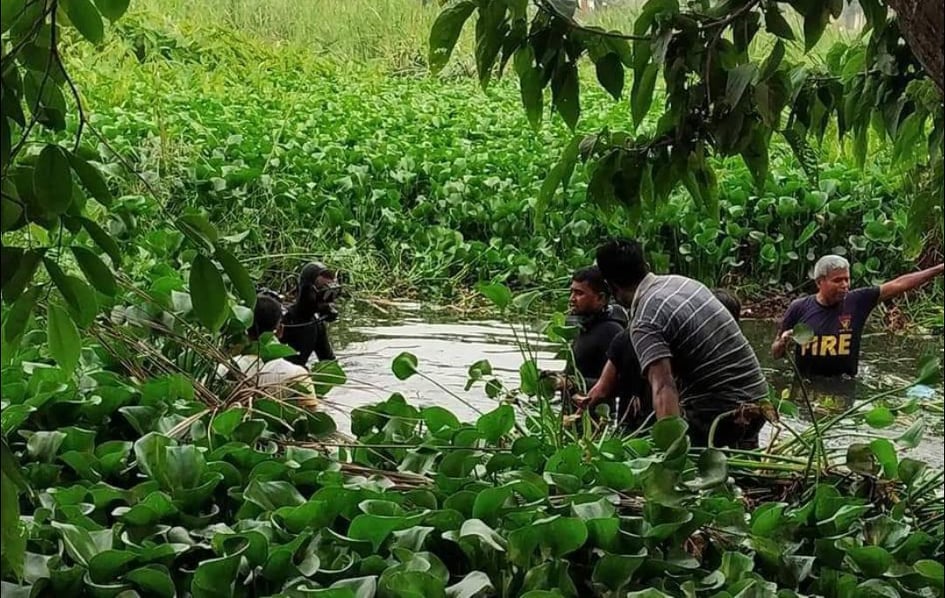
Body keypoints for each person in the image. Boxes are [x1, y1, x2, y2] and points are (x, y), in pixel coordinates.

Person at [583, 239, 768, 448]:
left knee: (650, 451)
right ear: (646, 267)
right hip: (759, 399)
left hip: (723, 414)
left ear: (610, 286)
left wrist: (669, 457)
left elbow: (663, 387)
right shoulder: (684, 283)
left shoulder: (645, 319)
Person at [578, 287, 744, 431]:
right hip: (660, 425)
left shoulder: (628, 336)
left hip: (639, 427)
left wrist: (577, 413)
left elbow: (603, 389)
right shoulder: (716, 354)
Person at [773, 256, 944, 378]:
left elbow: (899, 284)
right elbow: (775, 353)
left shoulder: (858, 301)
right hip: (807, 383)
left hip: (844, 383)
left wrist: (940, 268)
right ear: (819, 282)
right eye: (838, 280)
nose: (845, 285)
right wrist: (783, 342)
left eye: (847, 279)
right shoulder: (799, 307)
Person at [218, 294, 318, 409]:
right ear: (280, 330)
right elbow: (313, 420)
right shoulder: (297, 375)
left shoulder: (222, 369)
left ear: (245, 329)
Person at [281, 262, 341, 366]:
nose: (327, 301)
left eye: (331, 294)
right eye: (323, 292)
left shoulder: (317, 325)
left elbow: (330, 365)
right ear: (306, 290)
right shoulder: (283, 320)